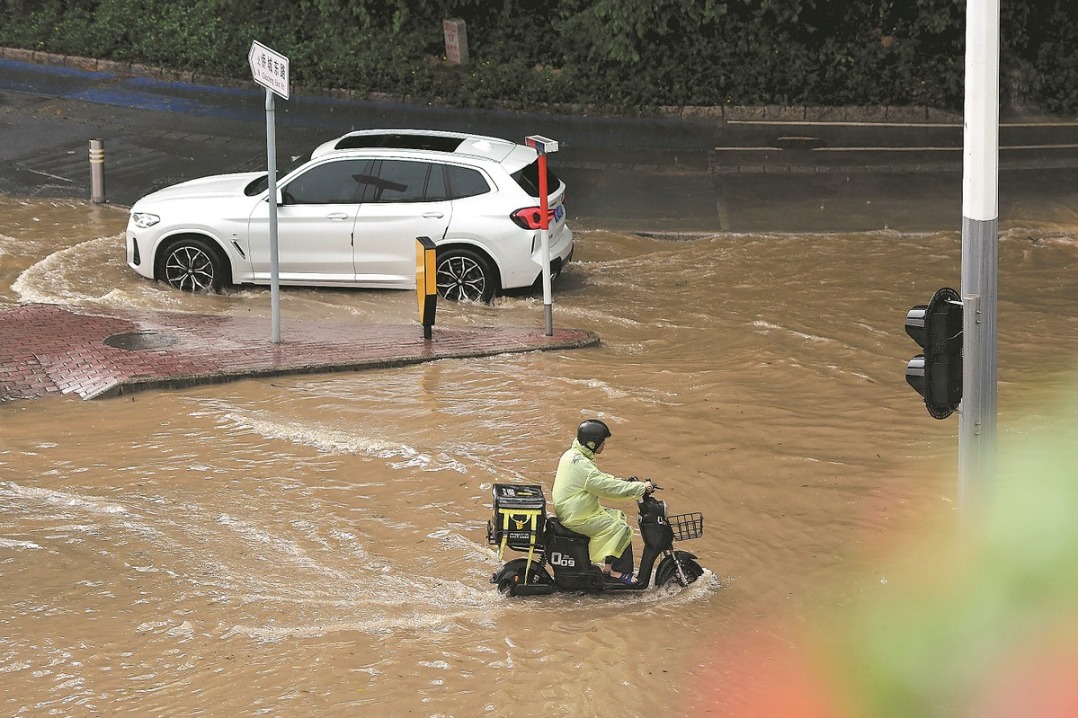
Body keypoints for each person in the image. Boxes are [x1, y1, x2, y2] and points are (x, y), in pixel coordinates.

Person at [552, 419, 654, 583]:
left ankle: (608, 565)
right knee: (621, 528)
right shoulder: (582, 465)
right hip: (577, 516)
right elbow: (606, 488)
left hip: (575, 509)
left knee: (618, 516)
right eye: (602, 442)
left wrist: (624, 482)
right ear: (593, 443)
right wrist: (641, 488)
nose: (604, 445)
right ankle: (617, 571)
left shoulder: (574, 455)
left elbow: (599, 478)